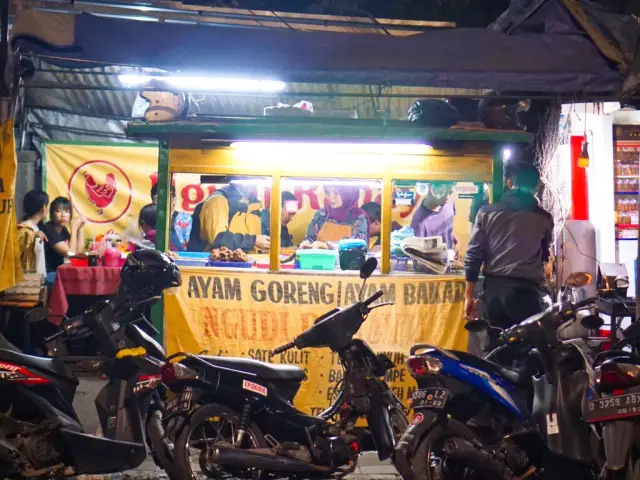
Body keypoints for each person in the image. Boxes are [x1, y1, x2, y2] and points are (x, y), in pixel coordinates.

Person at [464, 160, 554, 330]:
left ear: (509, 183)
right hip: (526, 293)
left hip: (494, 293)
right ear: (536, 186)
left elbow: (474, 256)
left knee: (497, 348)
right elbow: (544, 255)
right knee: (527, 348)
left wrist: (469, 296)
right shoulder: (544, 218)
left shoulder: (486, 213)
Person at [187, 179, 270, 253]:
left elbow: (254, 242)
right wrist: (253, 241)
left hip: (242, 265)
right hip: (213, 265)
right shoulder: (218, 200)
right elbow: (217, 239)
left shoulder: (253, 204)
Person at [300, 185, 368, 249]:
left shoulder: (358, 217)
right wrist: (307, 242)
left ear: (348, 194)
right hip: (319, 259)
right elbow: (310, 237)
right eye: (327, 192)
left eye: (336, 193)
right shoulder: (321, 214)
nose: (331, 197)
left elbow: (358, 246)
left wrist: (327, 246)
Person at [410, 182, 460, 258]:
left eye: (450, 193)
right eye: (445, 193)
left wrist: (456, 242)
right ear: (432, 191)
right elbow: (420, 252)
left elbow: (446, 227)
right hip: (432, 265)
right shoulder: (419, 221)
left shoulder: (450, 203)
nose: (447, 197)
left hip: (449, 262)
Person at [42, 197, 85, 282]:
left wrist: (81, 228)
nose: (63, 215)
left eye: (67, 211)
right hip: (48, 274)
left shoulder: (63, 229)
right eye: (58, 211)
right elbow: (71, 254)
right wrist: (73, 228)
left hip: (58, 271)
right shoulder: (48, 229)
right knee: (77, 279)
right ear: (51, 214)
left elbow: (78, 252)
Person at [17, 190, 49, 276]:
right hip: (26, 284)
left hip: (36, 281)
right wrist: (34, 236)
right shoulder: (23, 228)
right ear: (44, 207)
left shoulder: (35, 227)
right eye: (48, 205)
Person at [169, 186, 193, 251]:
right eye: (156, 199)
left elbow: (188, 241)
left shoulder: (185, 218)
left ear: (174, 199)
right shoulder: (151, 216)